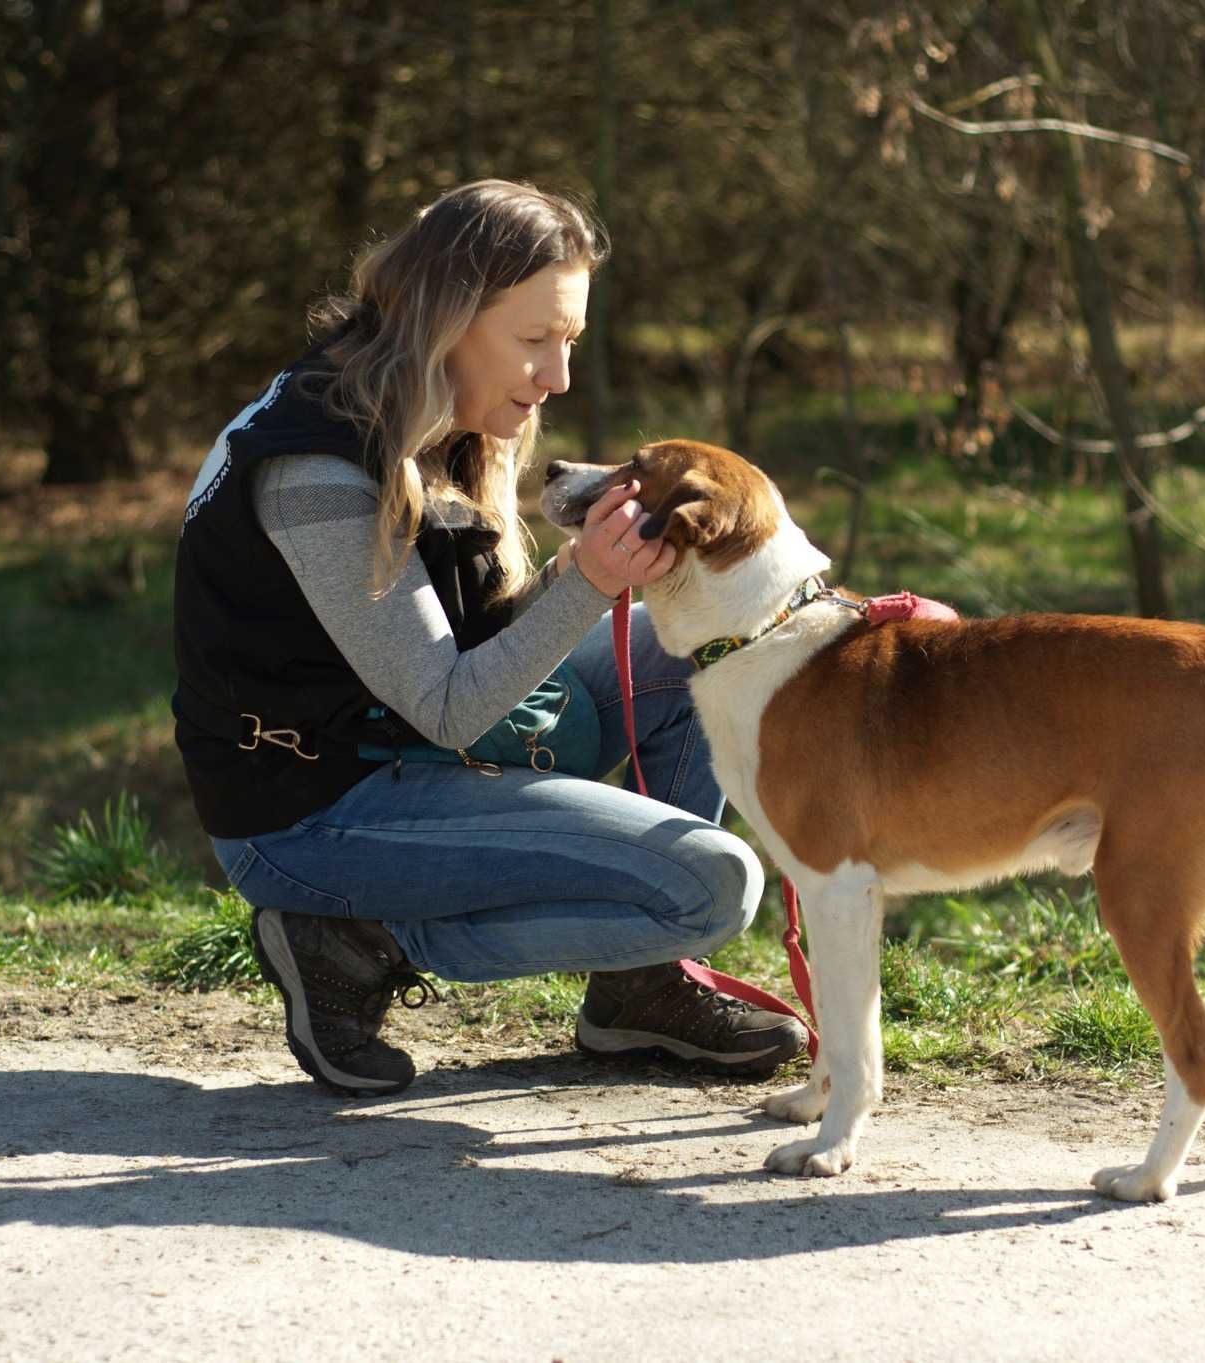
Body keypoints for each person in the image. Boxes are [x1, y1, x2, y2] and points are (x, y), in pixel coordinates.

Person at [171, 179, 805, 1097]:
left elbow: (480, 639)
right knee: (709, 885)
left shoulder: (431, 407)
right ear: (449, 317)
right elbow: (447, 705)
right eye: (535, 341)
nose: (560, 377)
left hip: (405, 747)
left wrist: (597, 571)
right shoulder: (318, 463)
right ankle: (352, 942)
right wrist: (587, 581)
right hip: (310, 816)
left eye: (571, 341)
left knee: (699, 645)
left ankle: (638, 988)